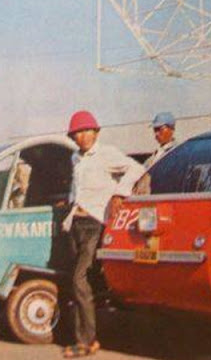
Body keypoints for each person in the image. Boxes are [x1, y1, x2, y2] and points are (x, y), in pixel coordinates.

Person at [60, 110, 145, 358]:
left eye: (87, 131)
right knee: (79, 284)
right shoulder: (75, 158)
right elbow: (77, 189)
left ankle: (85, 341)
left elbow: (136, 169)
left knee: (79, 280)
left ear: (96, 132)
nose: (83, 136)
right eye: (78, 132)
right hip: (75, 223)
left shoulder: (107, 154)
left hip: (95, 224)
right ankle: (89, 339)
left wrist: (119, 193)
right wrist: (69, 205)